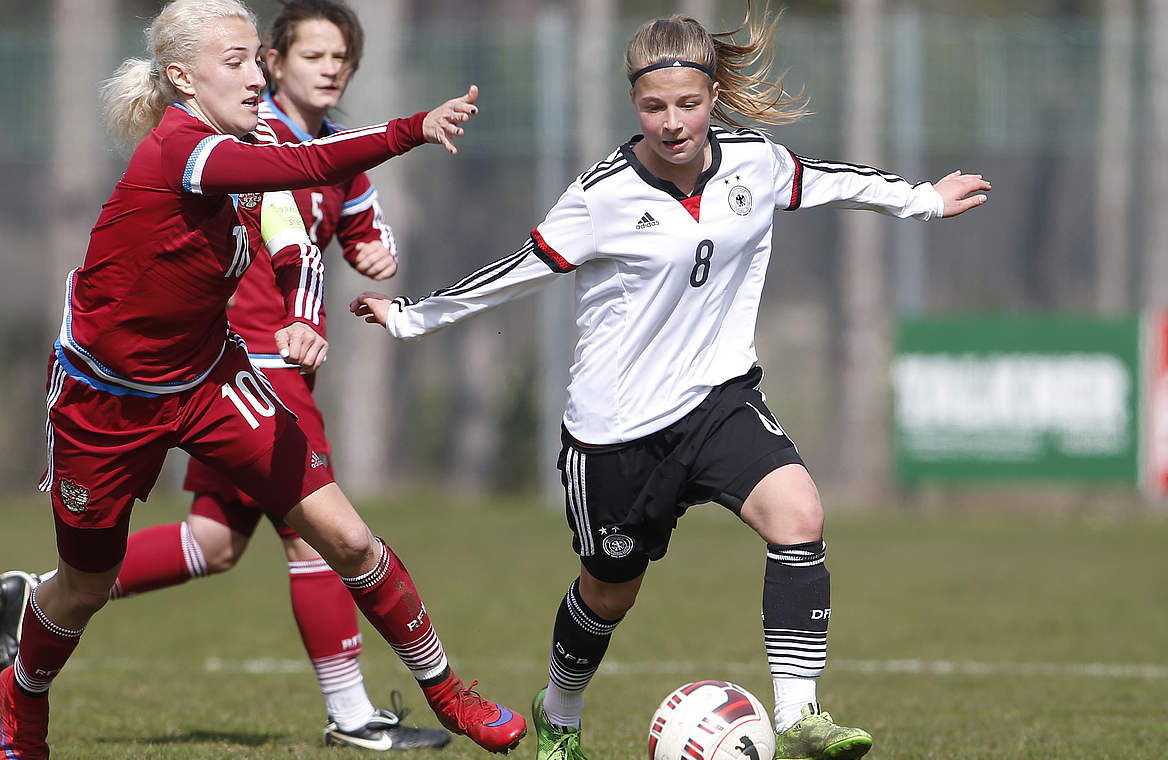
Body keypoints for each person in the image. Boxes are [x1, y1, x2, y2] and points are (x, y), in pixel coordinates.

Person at [351, 8, 990, 760]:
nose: (672, 121)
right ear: (635, 105)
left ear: (712, 96)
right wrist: (410, 317)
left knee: (799, 514)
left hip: (720, 401)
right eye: (654, 107)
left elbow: (832, 182)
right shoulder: (602, 195)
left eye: (687, 104)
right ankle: (560, 709)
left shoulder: (755, 161)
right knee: (609, 591)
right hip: (616, 432)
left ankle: (798, 716)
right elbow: (516, 272)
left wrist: (922, 199)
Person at [0, 1, 528, 758]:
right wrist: (412, 127)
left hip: (213, 380)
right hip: (104, 399)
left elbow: (286, 223)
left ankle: (447, 694)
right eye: (235, 62)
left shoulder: (251, 135)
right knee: (83, 587)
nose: (253, 77)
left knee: (344, 536)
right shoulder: (184, 147)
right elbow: (301, 168)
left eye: (254, 58)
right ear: (181, 77)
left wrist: (299, 304)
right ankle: (23, 702)